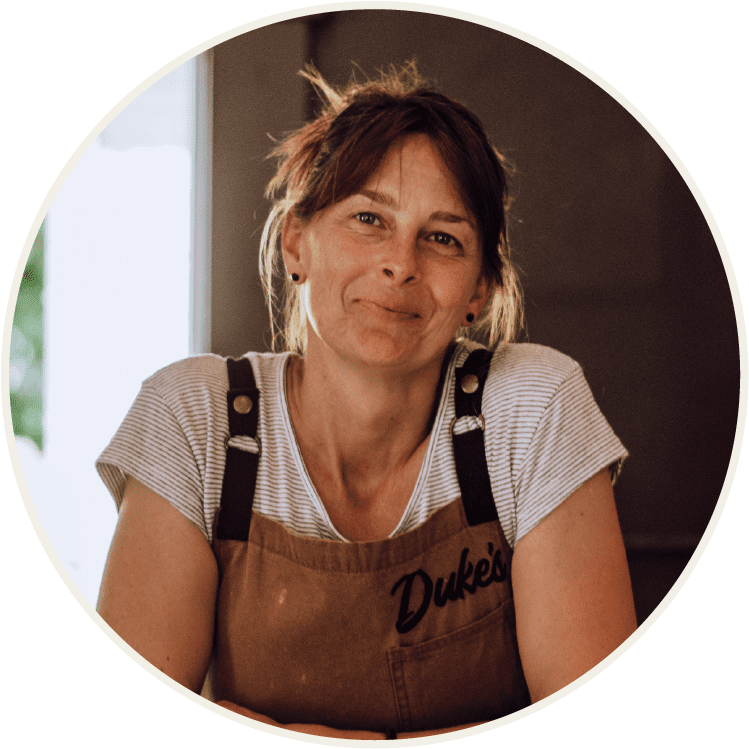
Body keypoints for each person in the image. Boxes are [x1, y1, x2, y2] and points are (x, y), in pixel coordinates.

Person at [95, 63, 637, 739]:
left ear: (480, 290)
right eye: (368, 218)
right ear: (297, 243)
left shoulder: (534, 407)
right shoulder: (193, 418)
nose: (400, 262)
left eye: (441, 238)